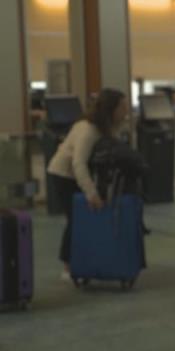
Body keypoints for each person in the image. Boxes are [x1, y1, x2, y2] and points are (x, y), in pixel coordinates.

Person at [47, 88, 128, 279]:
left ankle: (85, 261)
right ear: (111, 109)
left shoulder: (107, 127)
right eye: (122, 107)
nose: (126, 110)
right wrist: (91, 194)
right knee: (75, 219)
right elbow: (78, 163)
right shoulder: (88, 129)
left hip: (78, 174)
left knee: (84, 218)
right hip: (63, 174)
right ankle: (67, 267)